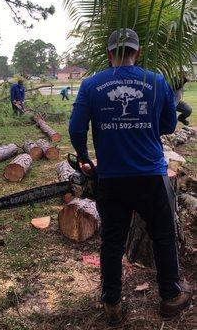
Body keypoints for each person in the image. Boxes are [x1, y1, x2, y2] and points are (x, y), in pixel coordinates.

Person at [69, 29, 191, 325]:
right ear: (137, 53)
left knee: (112, 242)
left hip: (110, 178)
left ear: (110, 54)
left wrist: (85, 159)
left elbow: (75, 129)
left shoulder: (91, 84)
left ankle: (112, 304)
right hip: (151, 176)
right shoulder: (156, 81)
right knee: (163, 236)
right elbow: (168, 126)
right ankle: (171, 296)